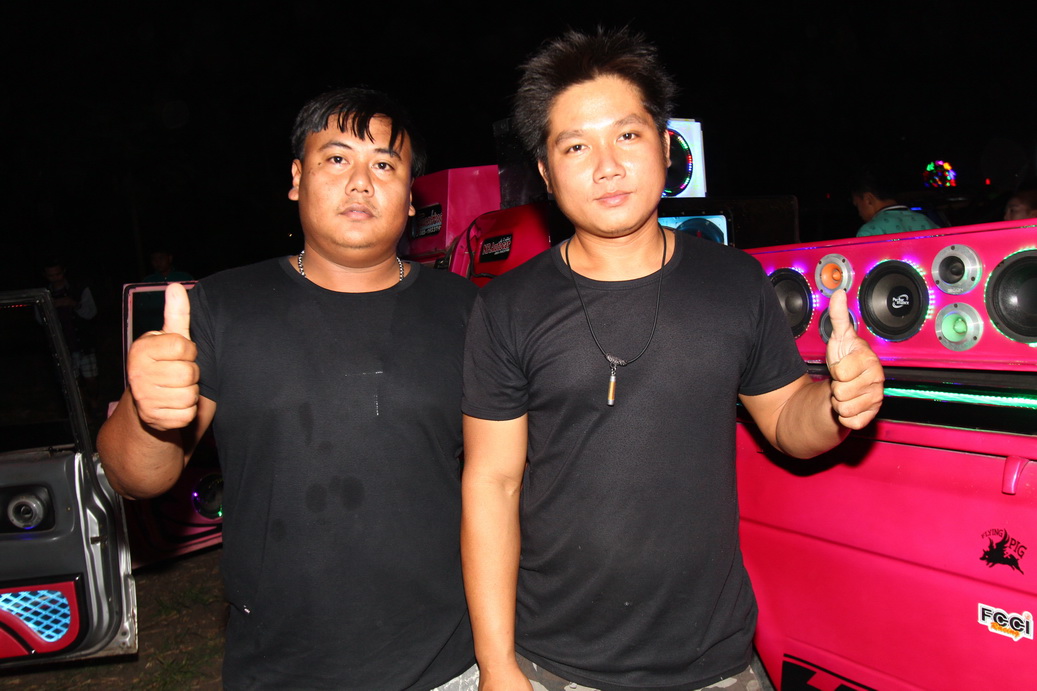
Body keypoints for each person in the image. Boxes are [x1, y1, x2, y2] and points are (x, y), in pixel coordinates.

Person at [460, 28, 885, 691]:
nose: (607, 166)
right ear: (544, 172)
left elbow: (785, 421)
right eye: (576, 146)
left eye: (627, 135)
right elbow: (492, 484)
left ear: (665, 147)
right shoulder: (508, 307)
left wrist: (837, 402)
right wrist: (495, 664)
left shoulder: (734, 282)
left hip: (714, 660)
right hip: (554, 662)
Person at [98, 87, 478, 690]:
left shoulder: (468, 311)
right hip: (279, 667)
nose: (360, 182)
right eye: (337, 158)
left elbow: (507, 479)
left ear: (411, 197)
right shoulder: (223, 306)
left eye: (384, 165)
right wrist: (147, 413)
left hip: (447, 663)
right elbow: (135, 478)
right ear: (298, 179)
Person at [43, 259, 101, 419]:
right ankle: (83, 413)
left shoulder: (80, 289)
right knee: (72, 382)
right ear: (46, 276)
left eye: (58, 274)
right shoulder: (44, 294)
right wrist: (50, 307)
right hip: (63, 347)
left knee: (91, 379)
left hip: (84, 344)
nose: (55, 278)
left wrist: (74, 304)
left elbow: (91, 312)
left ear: (63, 272)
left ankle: (94, 403)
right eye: (51, 275)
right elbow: (40, 320)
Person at [851, 173, 939, 236]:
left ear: (868, 199)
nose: (859, 213)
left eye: (857, 205)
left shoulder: (869, 231)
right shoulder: (925, 221)